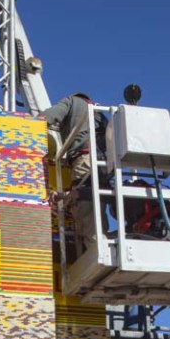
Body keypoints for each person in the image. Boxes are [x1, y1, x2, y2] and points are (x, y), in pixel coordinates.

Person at [44, 93, 111, 252]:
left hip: (84, 159)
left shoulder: (71, 101)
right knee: (97, 206)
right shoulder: (98, 114)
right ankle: (101, 245)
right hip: (105, 164)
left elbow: (46, 117)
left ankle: (97, 252)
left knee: (85, 207)